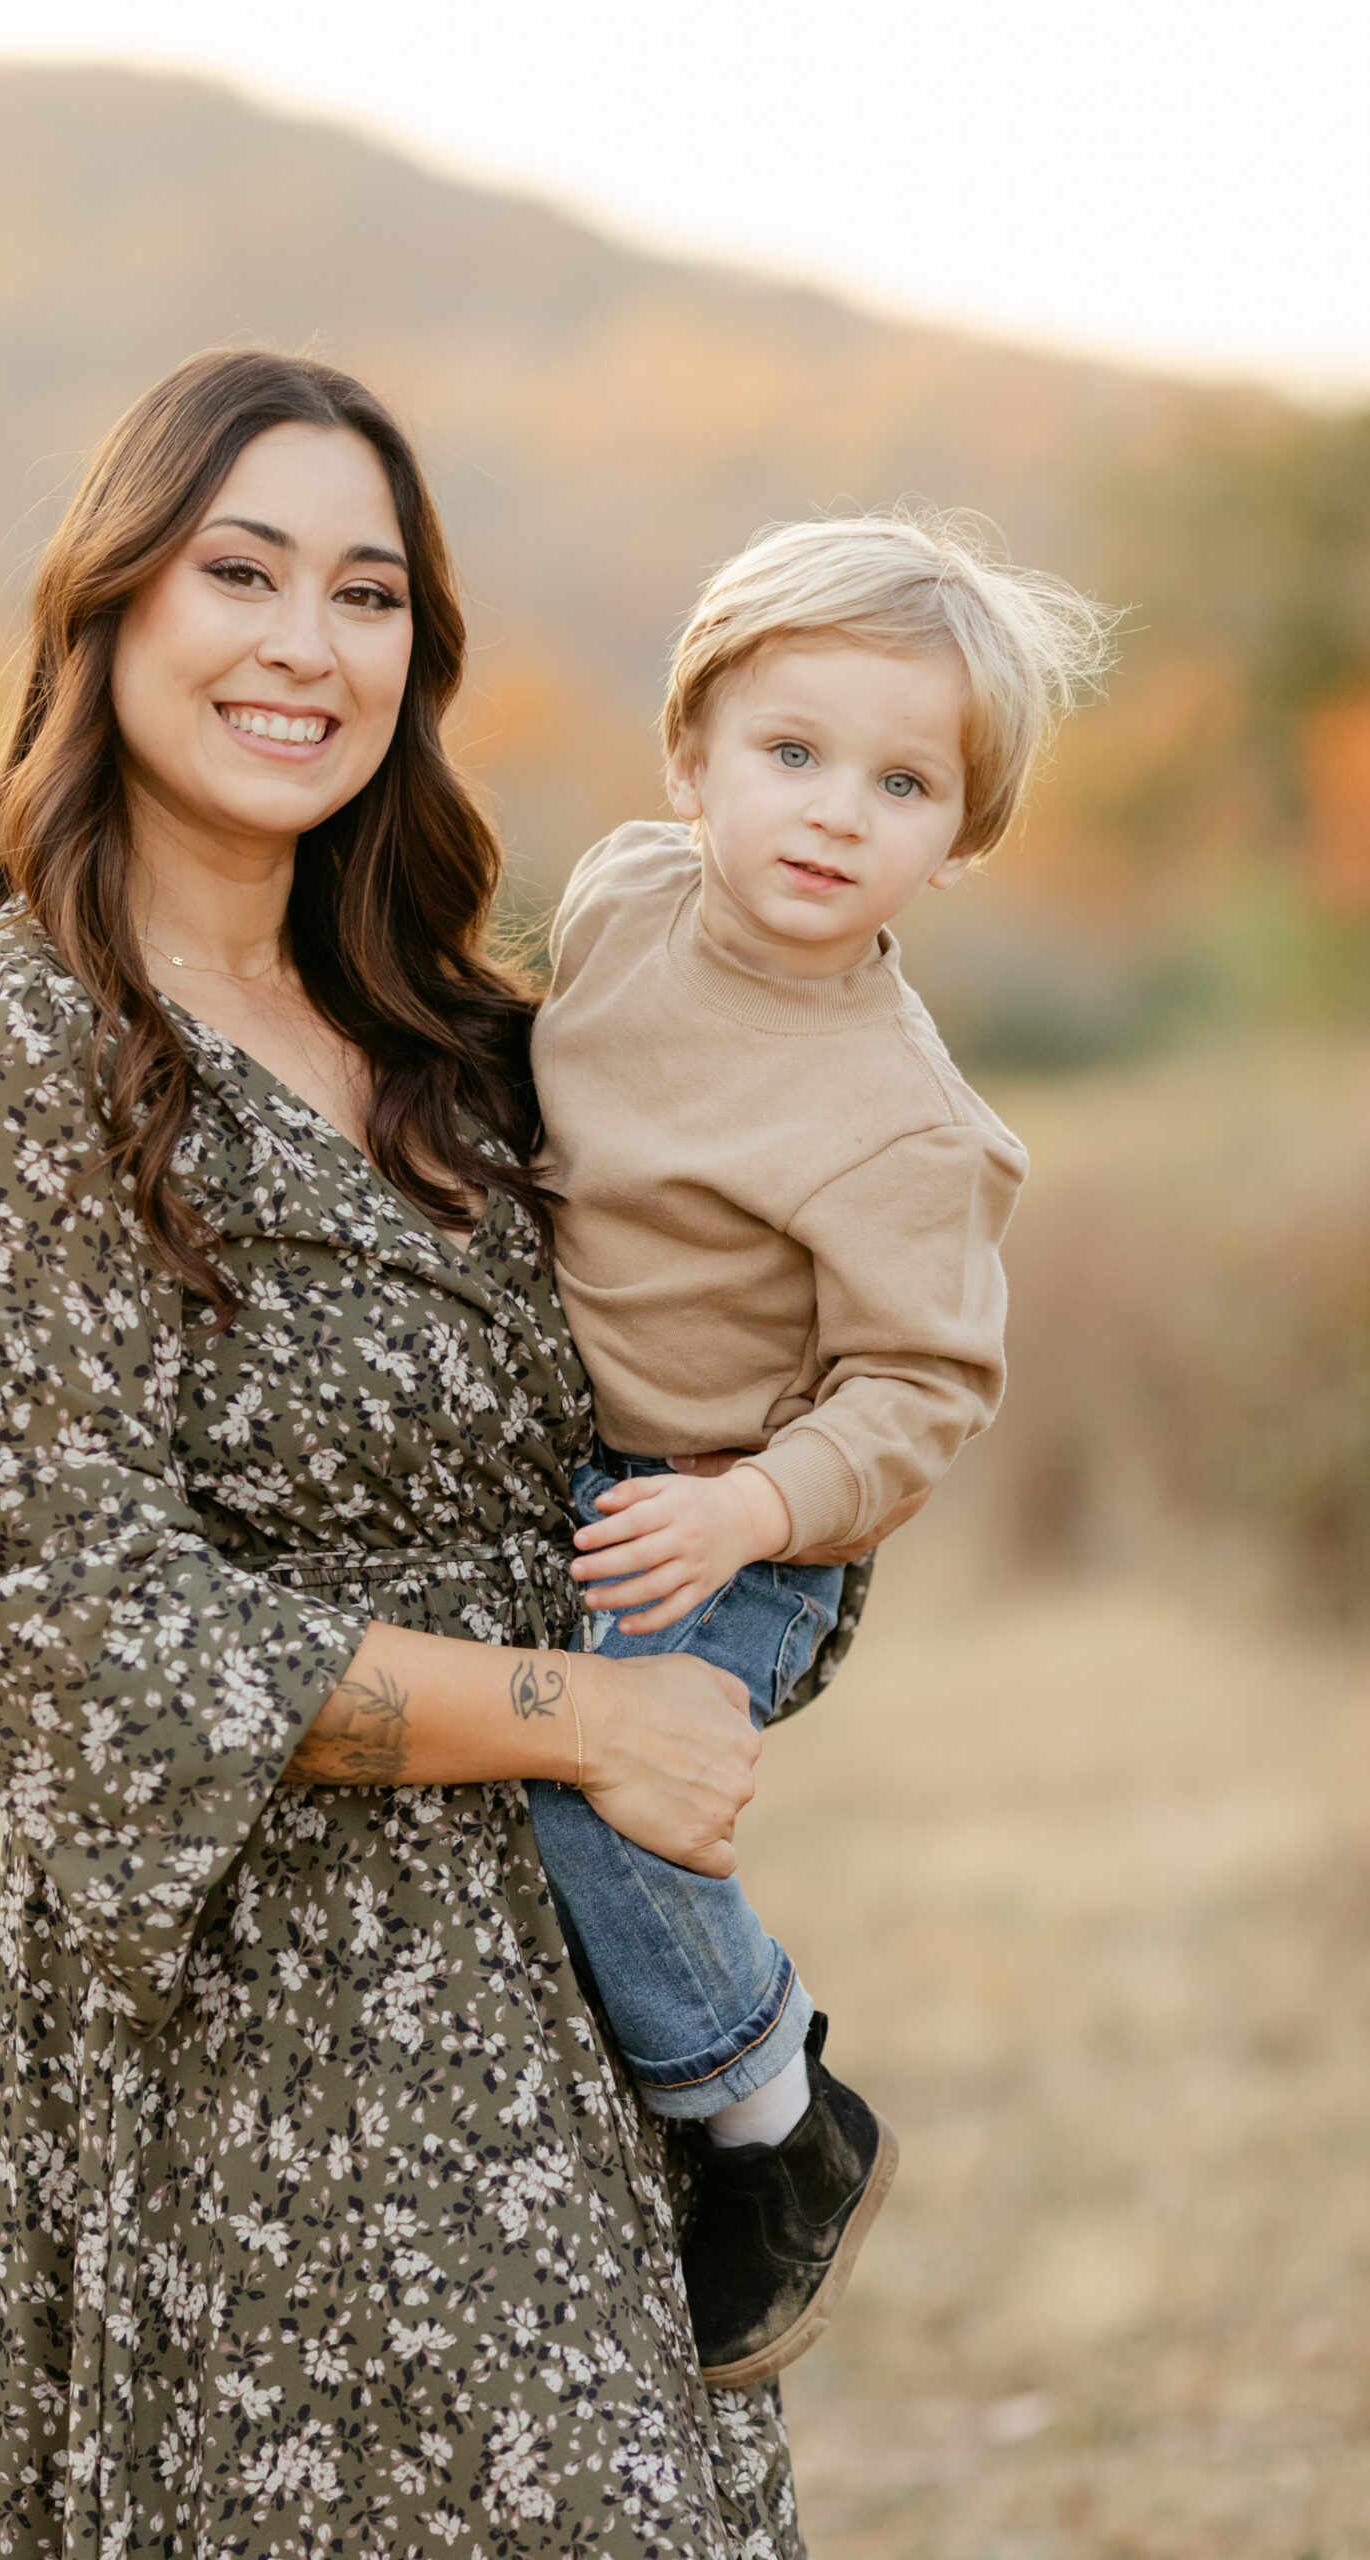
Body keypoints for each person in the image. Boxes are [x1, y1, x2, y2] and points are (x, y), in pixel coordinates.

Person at [0, 349, 805, 2558]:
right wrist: (575, 1712)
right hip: (277, 2040)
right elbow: (73, 1628)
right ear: (106, 612)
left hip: (590, 2003)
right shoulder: (15, 1045)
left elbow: (674, 1439)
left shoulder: (460, 1044)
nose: (307, 641)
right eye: (240, 570)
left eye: (368, 594)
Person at [529, 512, 1116, 2384]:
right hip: (577, 1478)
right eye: (790, 753)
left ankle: (778, 2118)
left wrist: (753, 1508)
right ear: (690, 753)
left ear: (960, 840)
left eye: (904, 781)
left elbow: (922, 1391)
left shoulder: (901, 1123)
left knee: (587, 1774)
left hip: (744, 1524)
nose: (835, 810)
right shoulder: (622, 898)